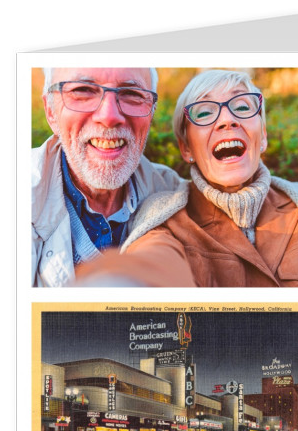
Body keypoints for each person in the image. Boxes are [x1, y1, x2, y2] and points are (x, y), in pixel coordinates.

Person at [75, 69, 298, 287]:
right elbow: (153, 262)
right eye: (204, 112)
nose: (227, 120)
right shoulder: (165, 220)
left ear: (262, 135)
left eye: (242, 107)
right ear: (186, 148)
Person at [32, 67, 187, 287]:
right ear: (50, 111)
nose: (109, 117)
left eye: (132, 94)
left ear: (151, 112)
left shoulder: (175, 195)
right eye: (83, 90)